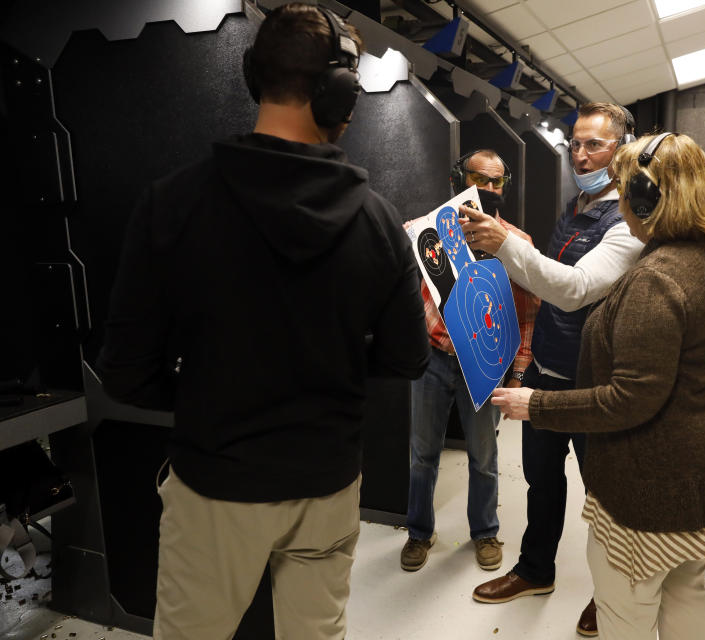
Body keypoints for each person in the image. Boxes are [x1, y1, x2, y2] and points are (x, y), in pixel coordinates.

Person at [96, 4, 430, 638]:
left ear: (254, 77)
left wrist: (205, 394)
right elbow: (407, 358)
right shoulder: (380, 221)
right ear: (337, 91)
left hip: (215, 484)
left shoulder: (171, 205)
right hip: (327, 485)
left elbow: (126, 375)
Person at [491, 132, 705, 640]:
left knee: (626, 606)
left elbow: (628, 400)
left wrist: (536, 405)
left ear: (648, 198)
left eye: (624, 190)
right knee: (687, 588)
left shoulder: (657, 277)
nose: (619, 202)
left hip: (661, 480)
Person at [461, 103, 645, 637]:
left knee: (603, 496)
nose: (581, 155)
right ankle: (536, 570)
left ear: (623, 149)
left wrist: (508, 245)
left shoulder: (628, 220)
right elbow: (552, 273)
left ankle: (608, 594)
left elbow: (575, 289)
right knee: (541, 482)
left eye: (595, 145)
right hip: (546, 370)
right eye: (576, 144)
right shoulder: (578, 204)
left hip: (593, 382)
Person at [401, 149, 540, 572]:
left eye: (498, 182)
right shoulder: (425, 233)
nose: (490, 190)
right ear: (459, 179)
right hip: (433, 358)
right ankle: (418, 533)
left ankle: (484, 533)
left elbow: (527, 312)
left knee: (484, 455)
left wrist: (518, 372)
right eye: (481, 179)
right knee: (423, 453)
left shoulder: (517, 243)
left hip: (483, 363)